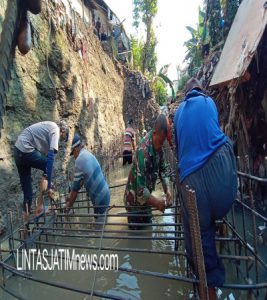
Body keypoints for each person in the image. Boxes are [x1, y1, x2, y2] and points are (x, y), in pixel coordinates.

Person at [173, 78, 237, 299]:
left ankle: (208, 289)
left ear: (186, 94)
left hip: (193, 184)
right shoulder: (209, 102)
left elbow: (179, 152)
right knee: (226, 141)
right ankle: (218, 218)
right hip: (225, 180)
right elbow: (212, 132)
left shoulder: (178, 113)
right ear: (200, 90)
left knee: (199, 236)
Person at [14, 120, 69, 222]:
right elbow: (50, 159)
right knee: (48, 165)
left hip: (18, 151)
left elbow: (46, 161)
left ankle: (24, 228)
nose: (59, 141)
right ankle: (39, 207)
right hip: (25, 149)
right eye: (62, 138)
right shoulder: (55, 129)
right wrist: (49, 188)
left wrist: (49, 181)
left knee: (28, 193)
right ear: (62, 131)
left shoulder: (47, 129)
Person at [124, 114, 172, 229]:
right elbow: (140, 190)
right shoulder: (143, 151)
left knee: (148, 229)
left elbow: (163, 169)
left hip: (146, 201)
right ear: (154, 133)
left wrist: (167, 189)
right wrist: (157, 203)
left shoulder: (159, 145)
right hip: (134, 204)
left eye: (163, 142)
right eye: (160, 141)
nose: (161, 145)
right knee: (137, 237)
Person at [65, 134, 110, 224]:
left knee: (99, 229)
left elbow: (75, 190)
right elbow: (81, 182)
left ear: (75, 149)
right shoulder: (86, 154)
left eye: (73, 153)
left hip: (100, 199)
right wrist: (69, 197)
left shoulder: (79, 160)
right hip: (104, 195)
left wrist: (67, 208)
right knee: (101, 223)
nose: (73, 157)